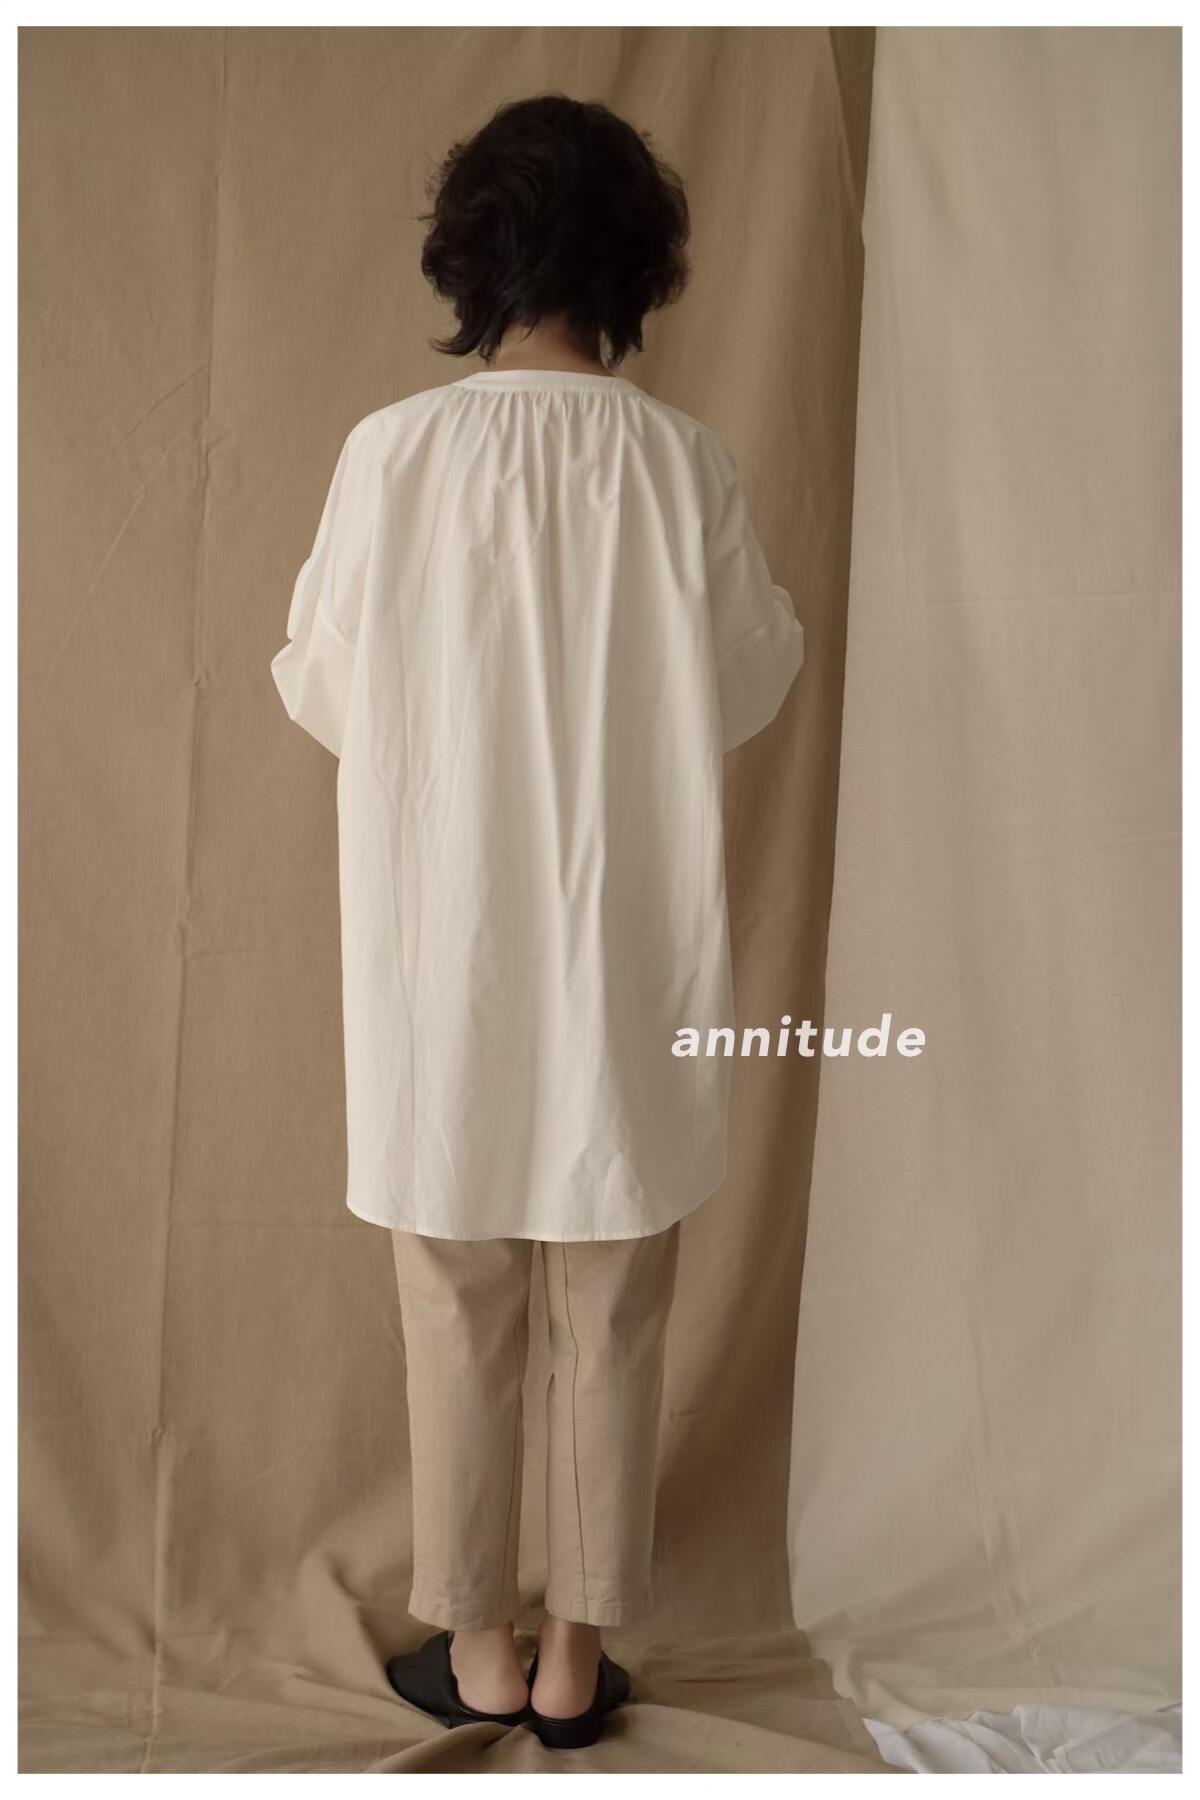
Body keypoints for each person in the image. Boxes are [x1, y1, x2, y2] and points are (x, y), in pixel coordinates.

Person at [269, 93, 804, 1751]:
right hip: (627, 946)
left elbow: (322, 686)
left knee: (457, 1303)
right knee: (613, 1307)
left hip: (444, 947)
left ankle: (479, 1648)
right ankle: (576, 1658)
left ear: (472, 257)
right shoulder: (684, 466)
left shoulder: (390, 457)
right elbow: (750, 679)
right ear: (635, 265)